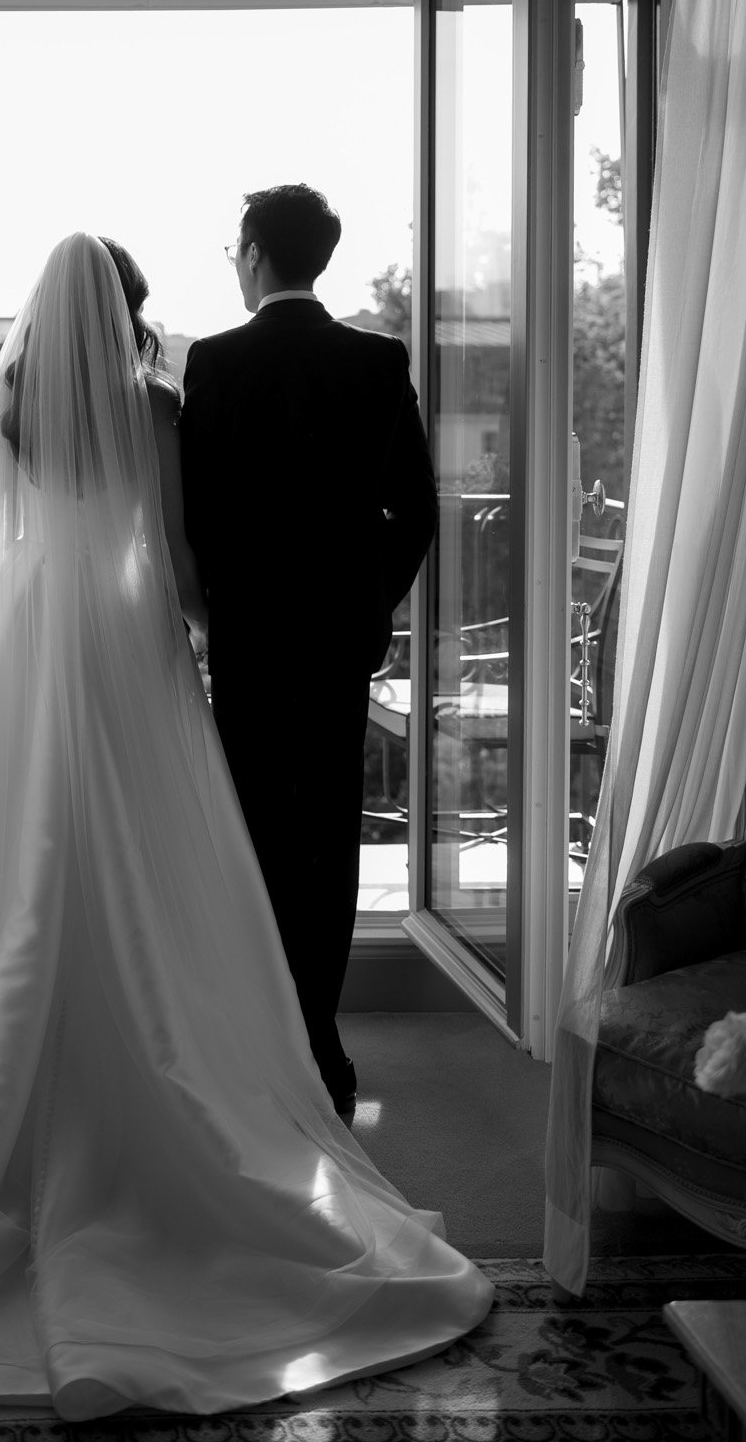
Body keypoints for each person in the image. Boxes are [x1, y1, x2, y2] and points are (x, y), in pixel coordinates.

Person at [0, 232, 489, 1418]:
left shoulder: (8, 395)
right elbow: (181, 555)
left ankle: (10, 1069)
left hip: (36, 641)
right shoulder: (153, 397)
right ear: (127, 310)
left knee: (33, 849)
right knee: (157, 860)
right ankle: (180, 1073)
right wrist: (198, 630)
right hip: (125, 640)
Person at [179, 185, 437, 1116]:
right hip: (337, 644)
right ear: (316, 257)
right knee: (329, 841)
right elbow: (416, 509)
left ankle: (254, 1045)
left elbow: (193, 513)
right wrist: (368, 601)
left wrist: (217, 603)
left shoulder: (213, 362)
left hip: (246, 641)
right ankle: (321, 1045)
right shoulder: (375, 360)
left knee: (249, 838)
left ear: (252, 254)